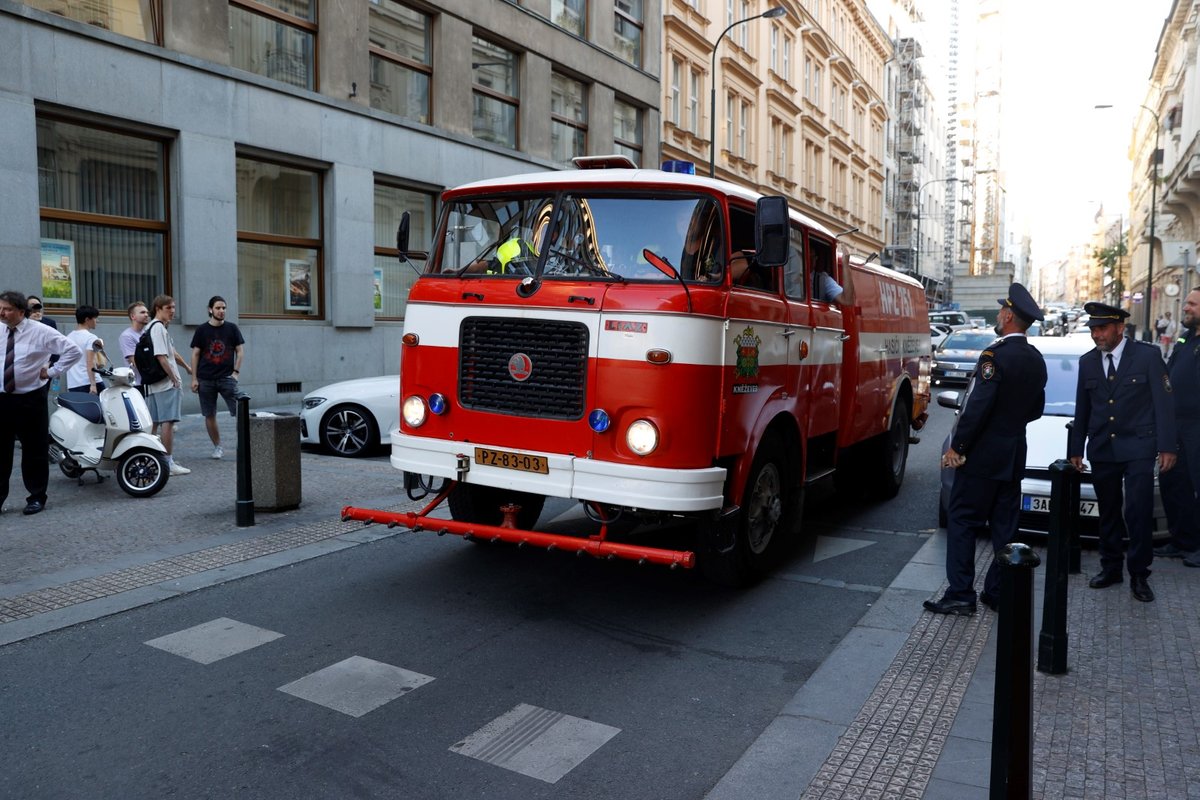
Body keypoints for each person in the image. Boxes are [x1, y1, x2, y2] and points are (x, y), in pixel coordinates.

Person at [924, 283, 1047, 615]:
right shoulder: (1035, 359)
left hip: (980, 457)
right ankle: (996, 590)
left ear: (1008, 316)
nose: (997, 315)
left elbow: (977, 406)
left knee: (962, 520)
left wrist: (958, 447)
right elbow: (1036, 409)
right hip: (1013, 455)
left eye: (1000, 311)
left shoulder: (995, 356)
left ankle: (961, 594)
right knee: (1005, 528)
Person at [1068, 301, 1176, 603]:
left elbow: (1164, 404)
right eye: (1092, 329)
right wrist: (1077, 447)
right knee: (1109, 512)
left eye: (1101, 328)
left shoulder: (1148, 356)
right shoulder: (1088, 362)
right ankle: (1111, 567)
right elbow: (1083, 407)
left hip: (1139, 447)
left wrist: (1167, 446)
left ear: (1119, 327)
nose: (1096, 335)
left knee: (1138, 510)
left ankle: (1140, 574)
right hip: (1103, 447)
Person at [0, 290, 83, 515]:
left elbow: (73, 351)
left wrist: (53, 371)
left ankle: (36, 497)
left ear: (21, 312)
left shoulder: (42, 332)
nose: (2, 313)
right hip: (2, 398)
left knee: (34, 449)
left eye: (7, 309)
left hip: (30, 397)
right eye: (0, 308)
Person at [1155, 289, 1200, 567]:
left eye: (1192, 304)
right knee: (1174, 483)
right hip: (1177, 426)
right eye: (1186, 303)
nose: (1186, 307)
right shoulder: (1185, 339)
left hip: (1198, 427)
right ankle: (1181, 540)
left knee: (1197, 486)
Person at [190, 295, 245, 459]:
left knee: (240, 413)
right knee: (209, 414)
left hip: (227, 378)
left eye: (224, 308)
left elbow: (240, 351)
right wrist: (194, 378)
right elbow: (195, 354)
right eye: (218, 308)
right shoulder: (201, 330)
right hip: (205, 379)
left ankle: (243, 446)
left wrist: (235, 373)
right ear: (210, 310)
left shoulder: (232, 328)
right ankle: (217, 447)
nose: (221, 311)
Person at [144, 294, 193, 476]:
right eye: (168, 308)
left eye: (173, 307)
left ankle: (150, 458)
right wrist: (174, 377)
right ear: (158, 308)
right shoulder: (158, 328)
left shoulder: (151, 327)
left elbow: (172, 353)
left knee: (155, 423)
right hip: (165, 384)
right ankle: (167, 462)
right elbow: (161, 356)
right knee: (168, 422)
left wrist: (186, 367)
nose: (172, 311)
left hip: (156, 383)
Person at [64, 305, 105, 394]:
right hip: (90, 382)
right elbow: (90, 362)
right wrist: (93, 385)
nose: (97, 321)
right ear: (87, 319)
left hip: (73, 383)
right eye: (95, 318)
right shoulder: (91, 338)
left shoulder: (68, 338)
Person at [119, 300, 150, 389]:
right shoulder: (127, 336)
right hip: (137, 383)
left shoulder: (147, 334)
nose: (146, 315)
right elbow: (134, 361)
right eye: (142, 312)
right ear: (133, 316)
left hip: (151, 382)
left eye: (147, 312)